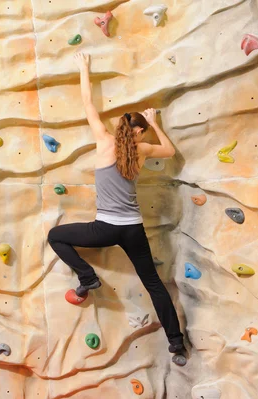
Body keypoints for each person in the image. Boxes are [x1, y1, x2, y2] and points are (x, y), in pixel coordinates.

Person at [47, 52, 186, 364]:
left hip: (105, 229)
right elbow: (170, 150)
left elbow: (88, 105)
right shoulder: (143, 150)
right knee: (154, 285)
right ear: (139, 133)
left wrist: (84, 68)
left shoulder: (103, 141)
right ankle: (176, 344)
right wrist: (155, 123)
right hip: (133, 229)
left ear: (122, 128)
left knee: (56, 236)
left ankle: (87, 278)